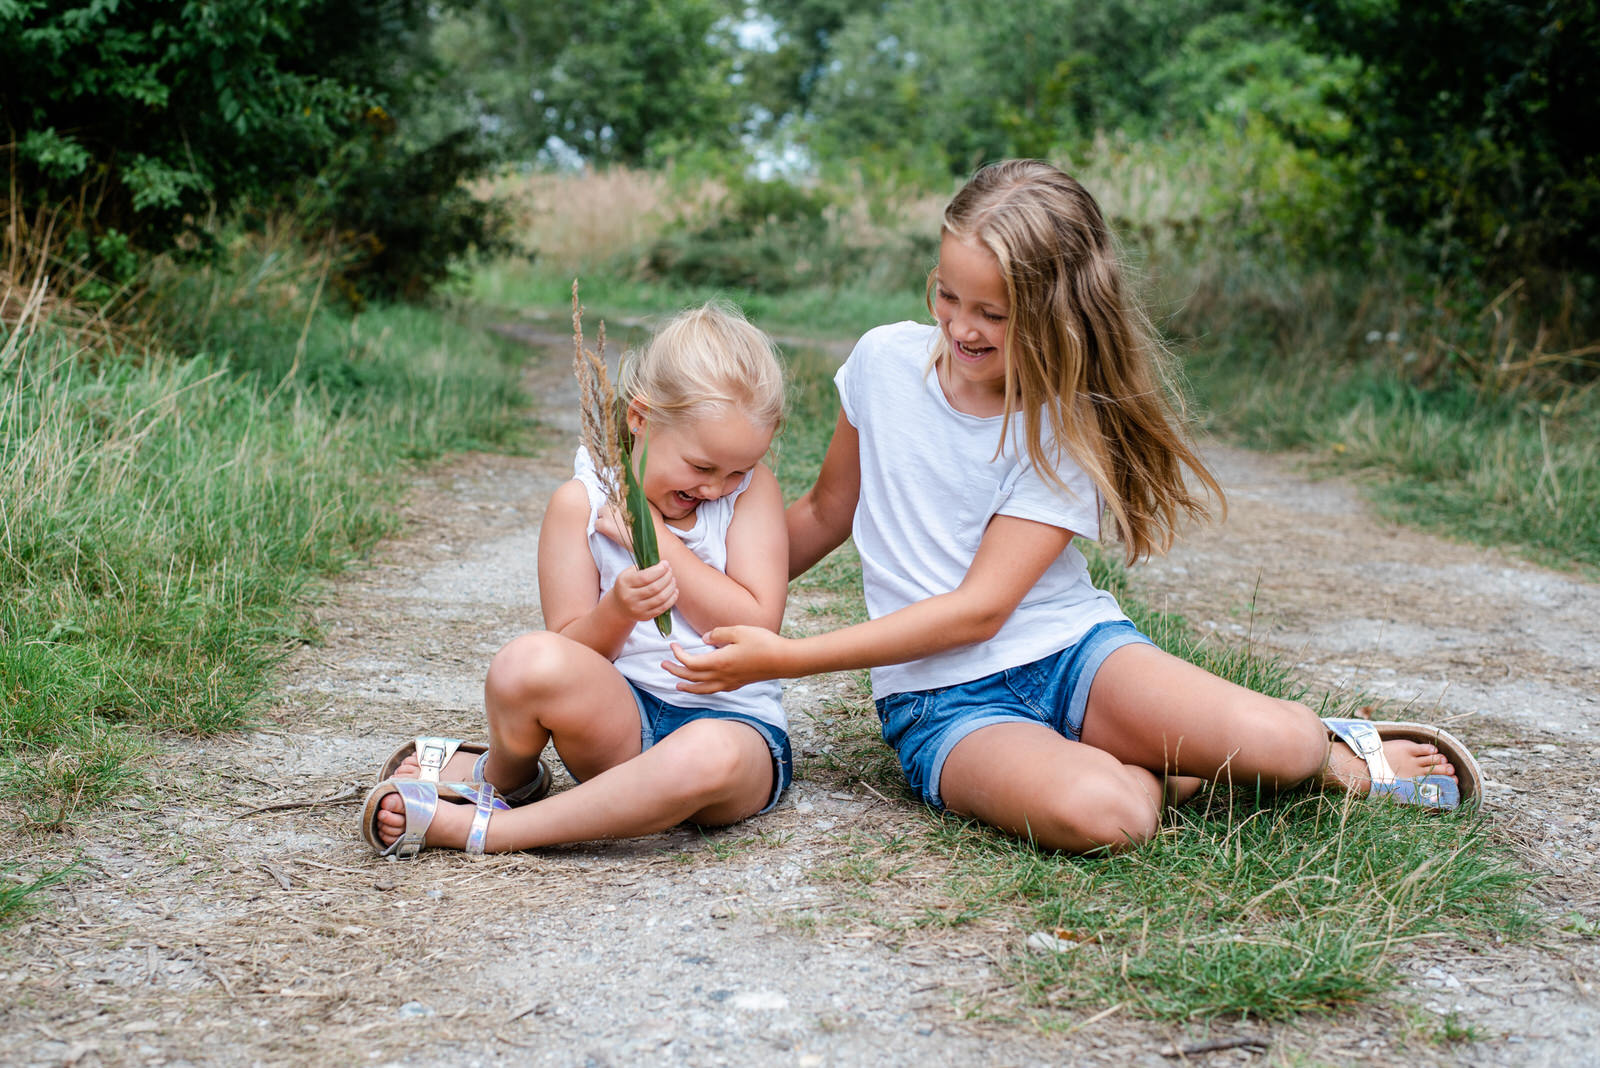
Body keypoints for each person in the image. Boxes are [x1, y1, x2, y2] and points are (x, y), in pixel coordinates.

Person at [664, 159, 1480, 854]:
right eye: (949, 297)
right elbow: (823, 511)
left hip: (1075, 655)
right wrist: (703, 571)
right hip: (944, 701)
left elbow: (979, 611)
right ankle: (1159, 763)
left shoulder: (1062, 423)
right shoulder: (880, 363)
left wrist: (787, 657)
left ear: (1060, 314)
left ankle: (1328, 759)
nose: (963, 328)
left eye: (994, 313)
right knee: (1112, 815)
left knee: (1288, 742)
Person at [362, 301, 791, 857]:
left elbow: (759, 625)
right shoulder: (580, 505)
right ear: (641, 419)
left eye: (738, 469)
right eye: (701, 467)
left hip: (733, 730)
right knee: (524, 663)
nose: (716, 487)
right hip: (622, 720)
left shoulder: (751, 494)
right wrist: (618, 612)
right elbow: (566, 647)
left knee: (706, 753)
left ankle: (489, 830)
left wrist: (654, 541)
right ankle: (505, 777)